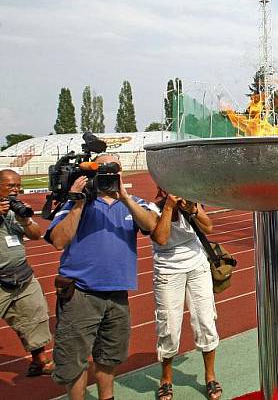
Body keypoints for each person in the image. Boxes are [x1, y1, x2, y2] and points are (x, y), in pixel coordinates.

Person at [45, 154, 157, 400]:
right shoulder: (76, 203)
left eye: (113, 168)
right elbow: (58, 241)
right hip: (81, 293)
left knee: (109, 355)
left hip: (117, 293)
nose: (107, 172)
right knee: (73, 357)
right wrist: (78, 202)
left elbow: (152, 226)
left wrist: (125, 198)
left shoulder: (133, 202)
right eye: (102, 168)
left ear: (121, 172)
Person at [151, 188, 221, 400]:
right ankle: (166, 378)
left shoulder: (192, 201)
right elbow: (161, 239)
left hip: (197, 265)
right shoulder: (152, 208)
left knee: (205, 321)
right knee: (169, 327)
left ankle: (210, 376)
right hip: (168, 270)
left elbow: (209, 227)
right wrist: (170, 207)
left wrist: (192, 210)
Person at [0, 169, 54, 377]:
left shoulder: (16, 209)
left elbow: (36, 235)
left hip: (22, 276)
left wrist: (25, 220)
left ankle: (40, 361)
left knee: (34, 318)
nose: (15, 190)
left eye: (17, 186)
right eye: (10, 186)